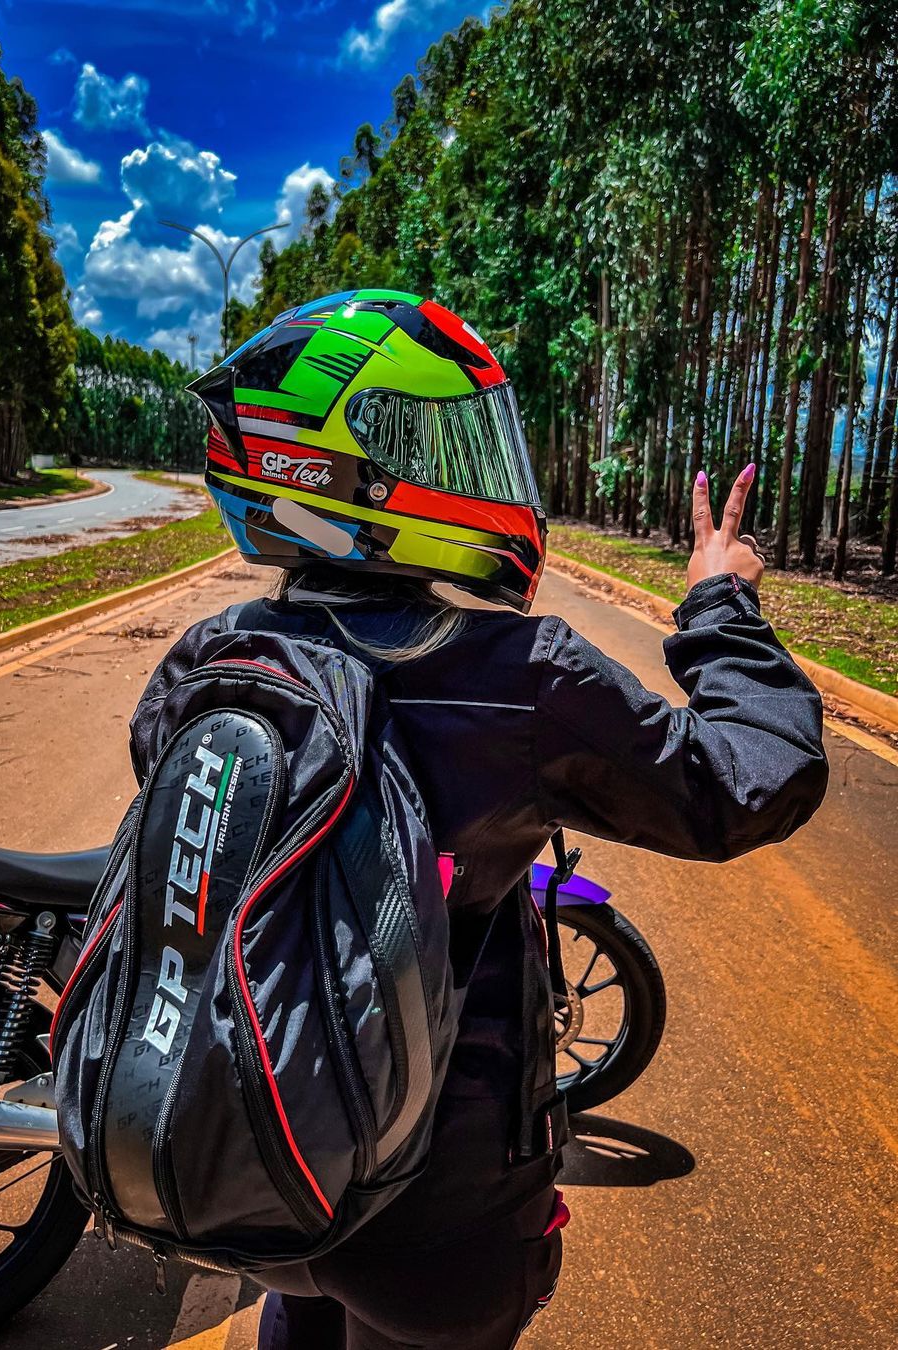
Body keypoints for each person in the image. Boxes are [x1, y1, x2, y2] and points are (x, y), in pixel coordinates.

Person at [134, 290, 828, 1349]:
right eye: (426, 445)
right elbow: (746, 784)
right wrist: (720, 603)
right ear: (331, 473)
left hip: (264, 1169)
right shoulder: (521, 676)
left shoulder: (206, 661)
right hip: (438, 1209)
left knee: (299, 1307)